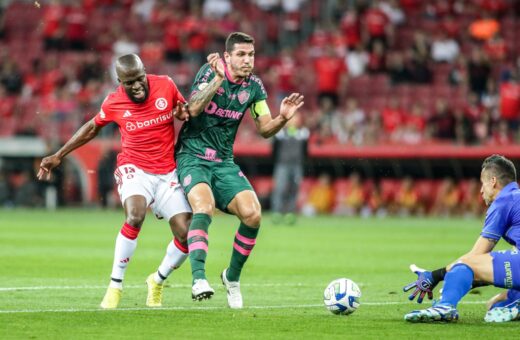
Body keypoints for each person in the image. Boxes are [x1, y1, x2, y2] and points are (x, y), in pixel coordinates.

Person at [37, 54, 192, 309]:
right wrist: (58, 155)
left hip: (167, 172)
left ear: (145, 72)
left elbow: (188, 111)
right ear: (120, 81)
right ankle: (115, 286)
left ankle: (157, 280)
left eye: (140, 78)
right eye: (130, 82)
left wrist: (184, 111)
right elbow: (91, 128)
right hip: (135, 169)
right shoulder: (114, 102)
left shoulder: (166, 85)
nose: (138, 86)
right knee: (135, 216)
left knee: (187, 235)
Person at [174, 32, 304, 309]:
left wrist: (282, 118)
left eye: (251, 55)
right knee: (204, 207)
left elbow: (265, 129)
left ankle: (231, 278)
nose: (247, 60)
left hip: (223, 161)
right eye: (242, 55)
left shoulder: (254, 88)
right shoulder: (209, 73)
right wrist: (219, 78)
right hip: (192, 156)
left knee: (253, 214)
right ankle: (198, 279)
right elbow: (193, 109)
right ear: (228, 56)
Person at [403, 154, 520, 323]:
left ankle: (445, 307)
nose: (481, 190)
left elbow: (473, 259)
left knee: (465, 265)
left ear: (493, 181)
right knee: (496, 304)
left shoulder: (503, 202)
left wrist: (435, 275)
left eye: (483, 183)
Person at [270, 114, 309, 225]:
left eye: (295, 119)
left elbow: (305, 151)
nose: (293, 121)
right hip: (282, 164)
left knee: (294, 189)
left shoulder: (303, 133)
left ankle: (290, 213)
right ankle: (276, 213)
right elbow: (274, 150)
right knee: (280, 189)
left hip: (297, 165)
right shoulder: (280, 133)